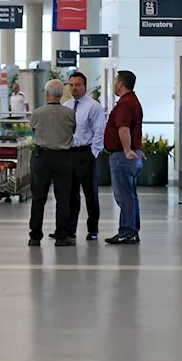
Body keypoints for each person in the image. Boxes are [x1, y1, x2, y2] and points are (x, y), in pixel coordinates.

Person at [28, 79, 77, 247]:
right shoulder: (69, 113)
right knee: (63, 198)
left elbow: (33, 129)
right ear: (61, 94)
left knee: (38, 198)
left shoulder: (37, 113)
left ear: (47, 94)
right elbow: (73, 130)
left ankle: (35, 236)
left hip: (43, 157)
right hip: (63, 158)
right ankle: (61, 235)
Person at [65, 71, 107, 241]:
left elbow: (99, 131)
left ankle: (93, 229)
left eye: (77, 85)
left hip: (86, 153)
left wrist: (93, 152)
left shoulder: (93, 106)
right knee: (70, 194)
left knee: (90, 193)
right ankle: (70, 228)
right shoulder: (66, 106)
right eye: (71, 85)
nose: (74, 88)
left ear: (85, 86)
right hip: (69, 153)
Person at [105, 69, 145, 245]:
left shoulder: (125, 104)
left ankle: (127, 231)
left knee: (124, 196)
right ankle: (132, 230)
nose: (114, 84)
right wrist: (136, 148)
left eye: (115, 81)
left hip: (123, 156)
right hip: (131, 154)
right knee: (130, 195)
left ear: (120, 83)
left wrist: (128, 149)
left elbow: (123, 128)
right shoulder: (134, 102)